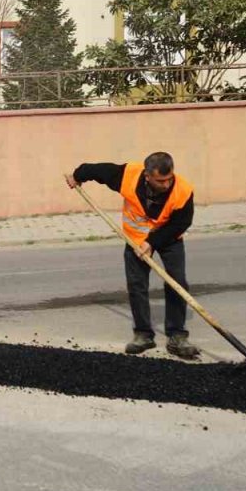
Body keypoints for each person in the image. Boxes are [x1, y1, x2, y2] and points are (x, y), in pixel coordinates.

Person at [65, 152, 200, 359]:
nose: (166, 184)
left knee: (177, 282)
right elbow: (97, 170)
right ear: (147, 175)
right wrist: (77, 176)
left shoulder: (183, 190)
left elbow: (181, 223)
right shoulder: (127, 175)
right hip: (135, 238)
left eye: (169, 179)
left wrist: (152, 242)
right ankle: (143, 334)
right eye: (160, 180)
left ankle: (177, 336)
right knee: (137, 284)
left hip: (169, 237)